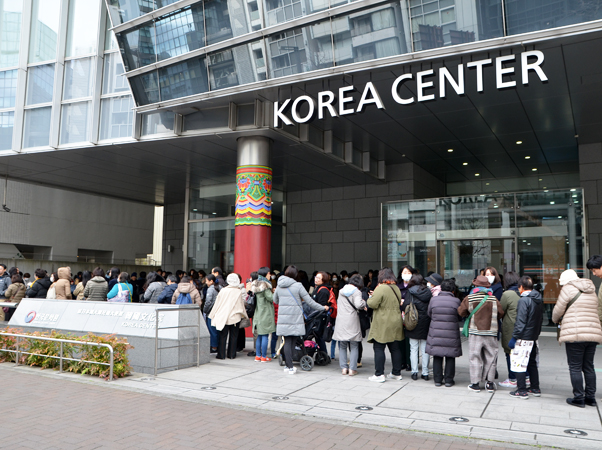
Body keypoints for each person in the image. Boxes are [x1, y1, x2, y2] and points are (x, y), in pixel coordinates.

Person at [553, 266, 602, 407]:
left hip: (575, 334)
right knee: (588, 366)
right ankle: (591, 397)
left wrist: (555, 319)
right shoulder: (591, 289)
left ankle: (579, 398)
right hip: (592, 333)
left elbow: (558, 311)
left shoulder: (567, 289)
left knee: (575, 367)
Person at [273, 265, 328, 374]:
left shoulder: (279, 285)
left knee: (288, 341)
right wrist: (323, 307)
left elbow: (275, 300)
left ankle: (288, 366)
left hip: (284, 317)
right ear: (295, 274)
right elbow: (309, 302)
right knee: (292, 341)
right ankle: (290, 367)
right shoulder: (298, 286)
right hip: (295, 318)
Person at [458, 275, 504, 393]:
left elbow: (461, 312)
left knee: (475, 357)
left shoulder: (470, 298)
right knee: (491, 357)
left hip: (475, 332)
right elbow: (501, 313)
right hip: (491, 332)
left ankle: (475, 383)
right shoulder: (493, 299)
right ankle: (489, 383)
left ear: (476, 285)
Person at [508, 276, 543, 399]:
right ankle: (535, 387)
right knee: (532, 363)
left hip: (523, 337)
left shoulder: (523, 300)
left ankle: (521, 390)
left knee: (519, 363)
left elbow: (520, 321)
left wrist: (514, 338)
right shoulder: (538, 299)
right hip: (533, 337)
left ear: (521, 287)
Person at [367, 268, 404, 383]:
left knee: (379, 347)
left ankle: (379, 374)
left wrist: (369, 298)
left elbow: (372, 304)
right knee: (395, 348)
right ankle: (396, 373)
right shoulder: (396, 288)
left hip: (383, 322)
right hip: (395, 321)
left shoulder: (381, 288)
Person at [425, 279, 462, 387]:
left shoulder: (433, 300)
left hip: (436, 331)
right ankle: (449, 380)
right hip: (451, 332)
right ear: (453, 290)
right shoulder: (456, 301)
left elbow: (429, 313)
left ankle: (437, 380)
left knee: (437, 355)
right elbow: (459, 316)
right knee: (450, 356)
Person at [333, 274, 366, 376]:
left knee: (342, 345)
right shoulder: (357, 292)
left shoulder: (341, 291)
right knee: (354, 344)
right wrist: (364, 302)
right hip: (352, 320)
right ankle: (352, 369)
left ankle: (343, 368)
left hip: (341, 320)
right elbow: (358, 305)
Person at [209, 274, 248, 360]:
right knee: (234, 336)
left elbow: (217, 303)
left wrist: (212, 315)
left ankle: (221, 355)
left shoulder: (223, 290)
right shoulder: (239, 291)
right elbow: (241, 305)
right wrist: (245, 316)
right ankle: (231, 354)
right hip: (235, 317)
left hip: (224, 316)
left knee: (222, 336)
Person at [405, 274, 433, 381]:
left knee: (413, 348)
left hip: (413, 322)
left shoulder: (410, 291)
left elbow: (405, 306)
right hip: (426, 322)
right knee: (425, 349)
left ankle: (414, 372)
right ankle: (425, 373)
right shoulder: (428, 292)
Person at [499, 272, 522, 388]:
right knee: (523, 353)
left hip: (511, 328)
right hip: (524, 328)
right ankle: (525, 377)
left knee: (510, 353)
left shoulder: (507, 294)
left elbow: (501, 310)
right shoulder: (522, 291)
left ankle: (513, 378)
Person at [248, 267, 276, 362]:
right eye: (269, 274)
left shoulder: (255, 284)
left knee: (259, 335)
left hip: (257, 313)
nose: (270, 275)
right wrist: (274, 293)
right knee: (265, 335)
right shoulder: (266, 285)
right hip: (265, 313)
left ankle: (258, 356)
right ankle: (264, 357)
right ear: (267, 274)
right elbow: (271, 298)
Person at [397, 265, 416, 371]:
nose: (406, 274)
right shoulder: (397, 286)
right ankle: (402, 362)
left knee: (410, 341)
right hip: (399, 315)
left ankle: (410, 362)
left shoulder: (414, 287)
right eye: (405, 272)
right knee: (400, 340)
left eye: (409, 272)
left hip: (410, 316)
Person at [312, 271, 333, 353]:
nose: (316, 279)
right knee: (318, 336)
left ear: (323, 280)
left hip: (320, 317)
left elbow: (321, 305)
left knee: (319, 336)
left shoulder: (323, 290)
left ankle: (323, 354)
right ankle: (322, 354)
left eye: (318, 278)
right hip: (317, 316)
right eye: (315, 277)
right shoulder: (318, 288)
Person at [203, 274, 219, 353]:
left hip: (211, 313)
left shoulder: (210, 289)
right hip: (218, 312)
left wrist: (205, 310)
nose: (206, 282)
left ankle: (214, 347)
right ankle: (216, 346)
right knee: (217, 331)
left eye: (207, 281)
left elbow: (208, 302)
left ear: (211, 281)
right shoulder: (219, 288)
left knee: (212, 331)